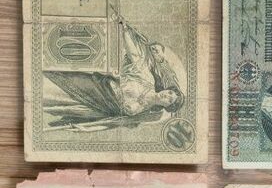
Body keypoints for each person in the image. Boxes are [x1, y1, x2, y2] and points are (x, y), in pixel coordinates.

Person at [43, 12, 185, 132]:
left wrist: (87, 129)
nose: (167, 95)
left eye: (170, 99)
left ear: (167, 107)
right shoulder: (147, 79)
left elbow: (113, 122)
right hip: (94, 86)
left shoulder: (144, 114)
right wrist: (124, 28)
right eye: (170, 92)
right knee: (54, 81)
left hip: (94, 107)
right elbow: (134, 55)